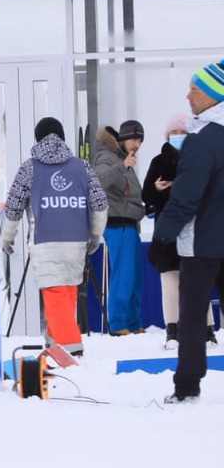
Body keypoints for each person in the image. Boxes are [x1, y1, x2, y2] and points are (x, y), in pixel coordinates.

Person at [0, 118, 108, 357]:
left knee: (56, 295)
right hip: (77, 241)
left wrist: (7, 237)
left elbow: (14, 207)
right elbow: (100, 205)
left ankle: (71, 352)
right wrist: (95, 236)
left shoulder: (29, 168)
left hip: (46, 241)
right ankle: (54, 347)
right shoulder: (82, 167)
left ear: (37, 138)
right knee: (66, 293)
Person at [152, 61, 224, 403]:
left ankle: (187, 386)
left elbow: (185, 197)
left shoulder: (203, 141)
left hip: (201, 244)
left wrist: (162, 236)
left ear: (213, 96)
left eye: (195, 89)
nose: (188, 95)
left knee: (193, 317)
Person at [141, 115, 213, 345]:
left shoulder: (200, 160)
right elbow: (147, 195)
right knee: (170, 280)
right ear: (167, 136)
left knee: (199, 282)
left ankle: (207, 330)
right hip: (168, 229)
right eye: (175, 133)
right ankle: (172, 330)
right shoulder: (159, 162)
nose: (178, 136)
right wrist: (160, 190)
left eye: (183, 132)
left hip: (197, 229)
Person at [92, 119, 146, 335]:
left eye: (140, 140)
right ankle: (119, 324)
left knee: (133, 277)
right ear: (122, 139)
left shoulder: (124, 158)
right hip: (117, 223)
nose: (137, 144)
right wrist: (122, 166)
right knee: (123, 276)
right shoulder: (108, 157)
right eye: (133, 139)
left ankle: (133, 322)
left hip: (129, 222)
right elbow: (98, 180)